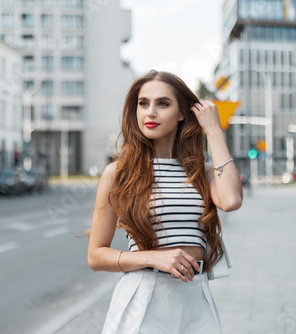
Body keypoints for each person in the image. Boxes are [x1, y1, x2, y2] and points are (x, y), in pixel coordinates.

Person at [87, 70, 243, 333]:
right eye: (143, 103)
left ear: (182, 113)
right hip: (143, 297)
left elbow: (231, 201)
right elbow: (96, 256)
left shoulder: (201, 173)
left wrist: (214, 130)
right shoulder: (118, 173)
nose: (150, 113)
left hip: (195, 295)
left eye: (163, 103)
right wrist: (154, 259)